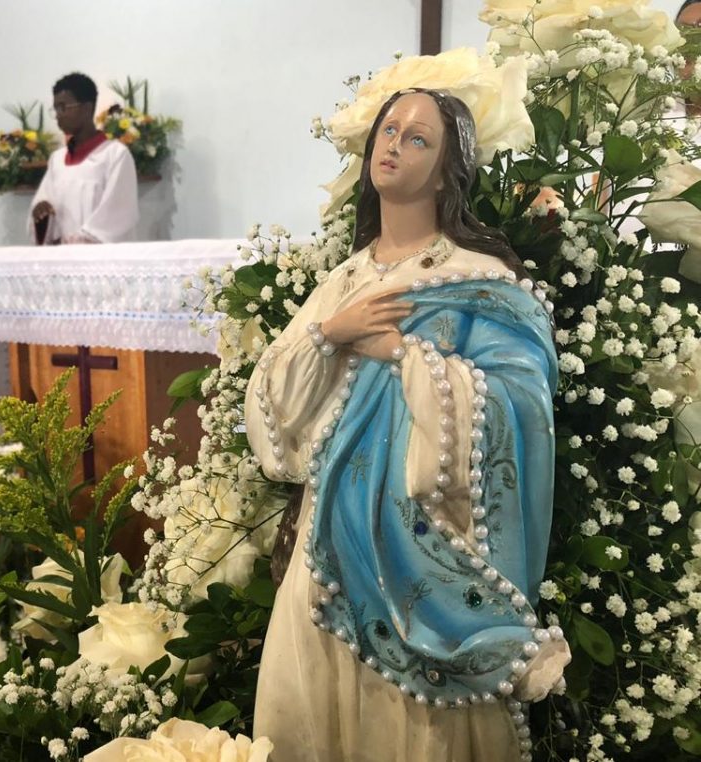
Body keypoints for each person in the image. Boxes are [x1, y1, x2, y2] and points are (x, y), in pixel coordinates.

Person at [245, 90, 570, 761]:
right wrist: (329, 336)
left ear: (451, 168)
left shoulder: (480, 279)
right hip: (328, 539)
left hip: (424, 546)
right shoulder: (344, 280)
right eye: (388, 131)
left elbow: (523, 409)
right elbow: (274, 410)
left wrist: (404, 356)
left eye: (417, 138)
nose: (393, 145)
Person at [29, 72, 138, 245]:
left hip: (99, 264)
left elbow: (117, 215)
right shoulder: (56, 160)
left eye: (63, 107)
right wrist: (41, 214)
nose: (58, 114)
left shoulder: (115, 155)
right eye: (56, 108)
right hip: (61, 263)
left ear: (87, 108)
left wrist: (78, 243)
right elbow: (42, 215)